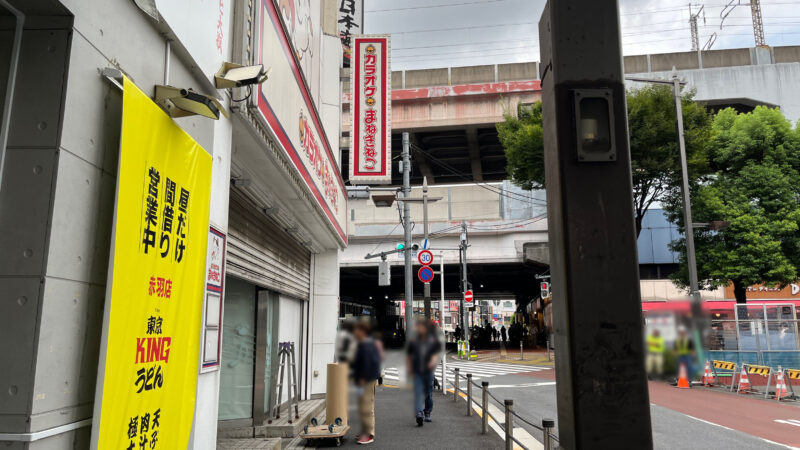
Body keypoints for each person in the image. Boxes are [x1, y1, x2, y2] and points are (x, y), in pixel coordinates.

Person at [407, 320, 442, 426]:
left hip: (429, 371)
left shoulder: (432, 340)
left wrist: (432, 362)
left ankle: (427, 411)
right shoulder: (413, 341)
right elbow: (409, 355)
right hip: (417, 370)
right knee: (418, 392)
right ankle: (419, 413)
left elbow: (436, 353)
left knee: (428, 393)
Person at [352, 322, 381, 444]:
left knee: (367, 408)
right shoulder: (366, 343)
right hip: (365, 380)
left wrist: (363, 378)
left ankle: (369, 434)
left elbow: (369, 364)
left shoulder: (366, 345)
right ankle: (365, 431)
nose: (354, 333)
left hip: (366, 381)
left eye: (356, 330)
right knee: (363, 408)